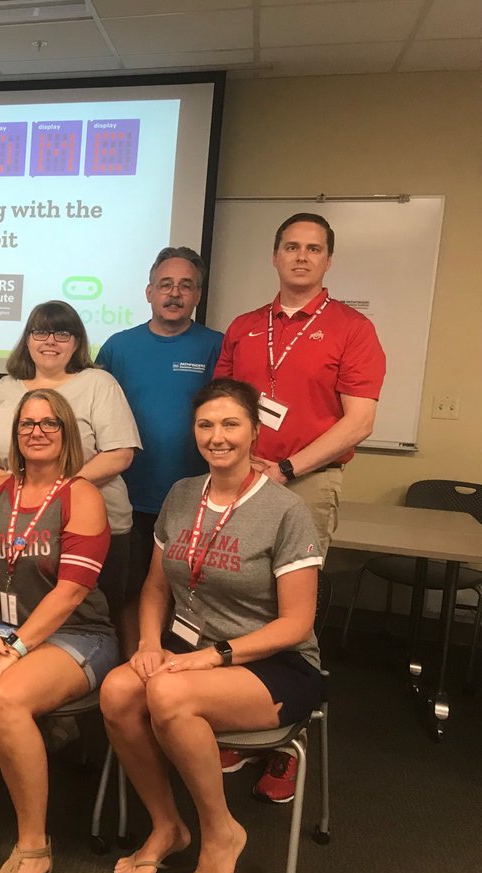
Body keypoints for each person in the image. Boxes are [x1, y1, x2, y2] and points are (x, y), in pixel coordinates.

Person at [100, 377, 323, 873]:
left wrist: (215, 656)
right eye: (206, 424)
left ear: (253, 433)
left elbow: (297, 624)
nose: (217, 436)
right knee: (116, 691)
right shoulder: (181, 495)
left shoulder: (285, 511)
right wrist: (149, 644)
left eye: (230, 424)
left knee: (167, 694)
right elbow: (156, 587)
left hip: (275, 662)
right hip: (188, 650)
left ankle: (221, 834)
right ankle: (168, 826)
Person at [214, 212, 384, 801]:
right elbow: (222, 403)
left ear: (328, 261)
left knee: (293, 612)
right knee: (235, 600)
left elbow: (359, 421)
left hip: (306, 482)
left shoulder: (351, 329)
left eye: (314, 249)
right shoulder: (244, 326)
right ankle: (239, 723)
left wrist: (287, 467)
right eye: (292, 246)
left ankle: (288, 744)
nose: (302, 257)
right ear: (276, 255)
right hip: (237, 480)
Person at [0, 388, 117, 873]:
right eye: (27, 424)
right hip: (1, 627)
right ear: (15, 435)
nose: (37, 432)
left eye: (49, 424)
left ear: (66, 435)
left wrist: (12, 649)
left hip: (76, 633)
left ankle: (34, 847)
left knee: (7, 696)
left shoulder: (81, 495)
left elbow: (72, 591)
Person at [0, 301, 140, 648]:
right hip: (13, 526)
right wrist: (10, 488)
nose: (50, 341)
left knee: (83, 621)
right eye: (41, 331)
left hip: (90, 523)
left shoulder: (97, 383)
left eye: (62, 333)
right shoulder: (6, 386)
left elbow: (120, 452)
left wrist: (57, 492)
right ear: (27, 340)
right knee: (18, 619)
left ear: (77, 342)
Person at [96, 248, 223, 655]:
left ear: (198, 295)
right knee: (130, 591)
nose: (174, 293)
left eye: (186, 286)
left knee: (188, 590)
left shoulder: (216, 347)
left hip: (195, 498)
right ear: (149, 291)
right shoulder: (118, 347)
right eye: (165, 284)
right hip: (129, 498)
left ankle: (177, 670)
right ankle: (135, 668)